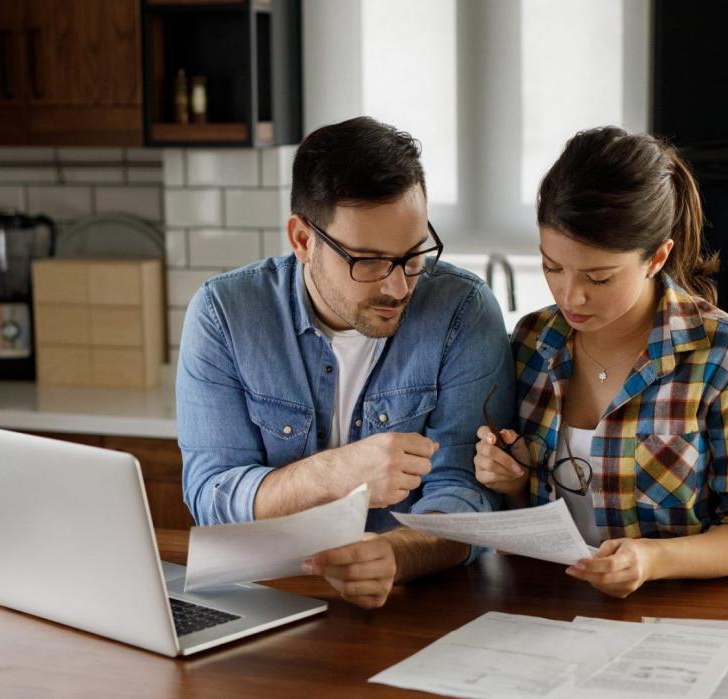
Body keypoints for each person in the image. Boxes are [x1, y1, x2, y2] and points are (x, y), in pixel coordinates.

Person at [178, 116, 515, 609]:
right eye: (370, 261)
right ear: (302, 240)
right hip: (266, 599)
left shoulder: (463, 311)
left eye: (413, 255)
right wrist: (333, 476)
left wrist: (397, 555)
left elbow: (467, 493)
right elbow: (211, 498)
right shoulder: (225, 315)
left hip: (415, 603)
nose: (398, 287)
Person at [473, 127, 728, 598]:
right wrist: (515, 482)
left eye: (600, 278)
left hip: (680, 619)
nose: (570, 295)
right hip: (550, 611)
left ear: (657, 258)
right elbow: (535, 519)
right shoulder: (532, 341)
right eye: (552, 267)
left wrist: (651, 559)